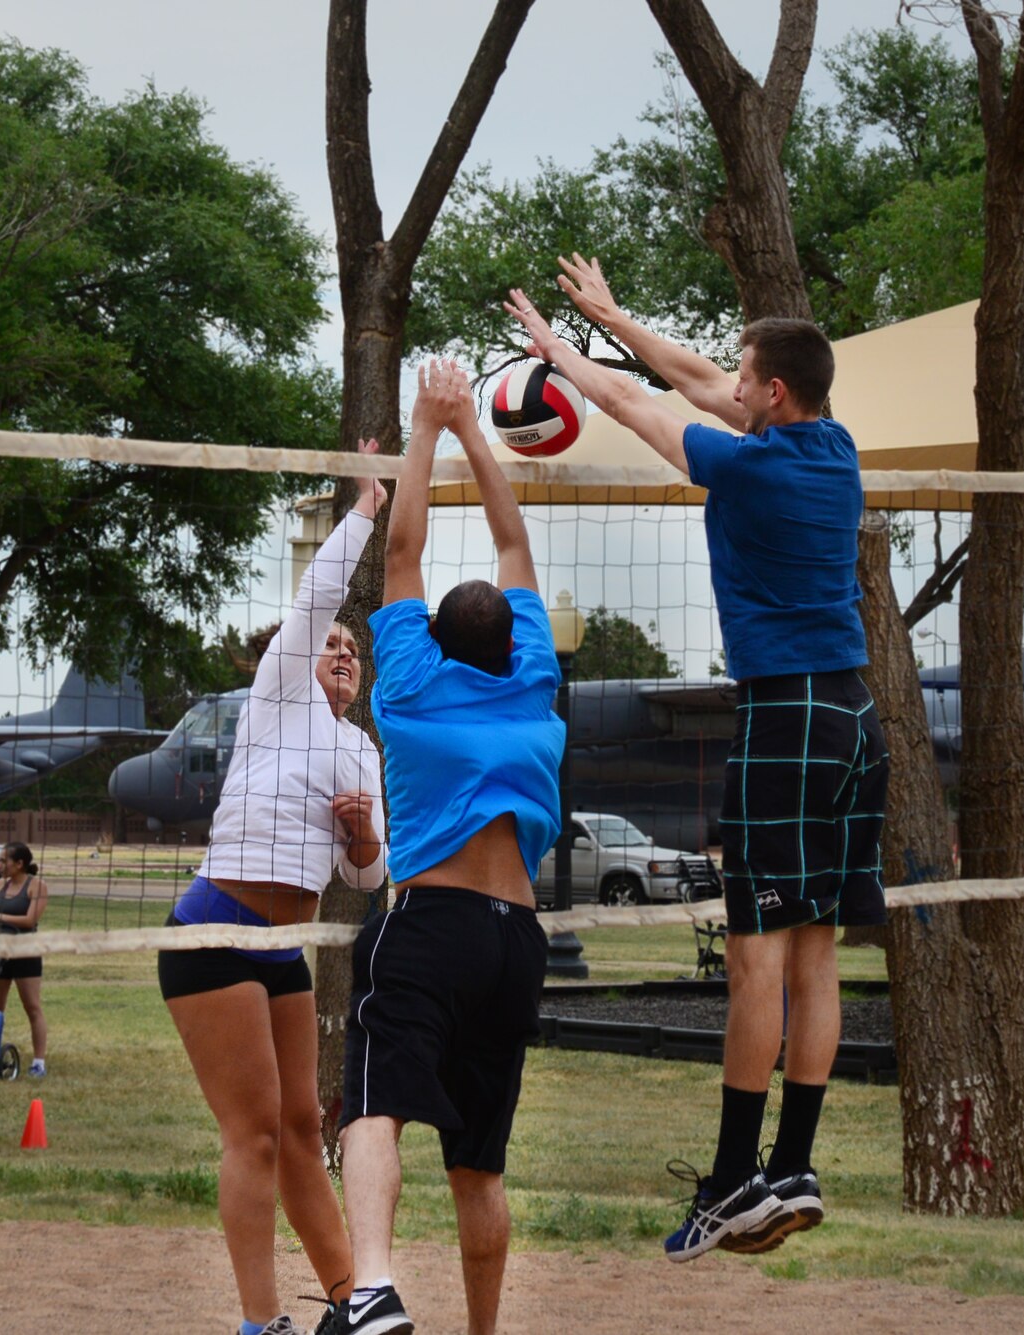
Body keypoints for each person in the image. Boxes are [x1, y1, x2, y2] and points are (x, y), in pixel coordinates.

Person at [507, 256, 887, 1262]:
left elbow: (636, 405)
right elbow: (693, 378)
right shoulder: (834, 443)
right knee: (814, 953)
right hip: (855, 717)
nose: (732, 383)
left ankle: (729, 1183)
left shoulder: (747, 466)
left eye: (745, 375)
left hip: (786, 716)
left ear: (774, 392)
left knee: (757, 956)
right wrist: (613, 317)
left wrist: (558, 355)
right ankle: (793, 1167)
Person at [331, 360, 562, 1335]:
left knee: (371, 1108)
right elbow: (514, 542)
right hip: (518, 944)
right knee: (478, 1166)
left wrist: (427, 425)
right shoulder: (534, 685)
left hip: (433, 926)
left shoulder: (412, 687)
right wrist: (475, 429)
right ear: (515, 640)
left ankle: (374, 1287)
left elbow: (403, 550)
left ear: (432, 637)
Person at [157, 438, 390, 1335]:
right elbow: (319, 594)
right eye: (330, 642)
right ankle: (261, 1323)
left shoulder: (361, 749)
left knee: (302, 1132)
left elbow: (368, 875)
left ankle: (350, 1303)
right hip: (214, 932)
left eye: (352, 648)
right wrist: (365, 506)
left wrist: (362, 836)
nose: (342, 650)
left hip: (281, 950)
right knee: (253, 1133)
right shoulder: (280, 693)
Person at [0, 842, 48, 1077]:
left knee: (32, 1006)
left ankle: (39, 1063)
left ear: (19, 864)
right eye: (0, 860)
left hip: (26, 952)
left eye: (4, 861)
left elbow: (30, 920)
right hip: (0, 954)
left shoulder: (36, 886)